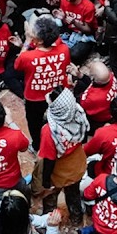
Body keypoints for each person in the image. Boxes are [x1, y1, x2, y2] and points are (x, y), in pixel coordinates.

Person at [14, 16, 72, 150]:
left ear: (39, 40)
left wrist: (27, 42)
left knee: (34, 122)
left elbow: (17, 65)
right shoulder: (64, 49)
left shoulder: (27, 56)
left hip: (35, 97)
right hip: (58, 93)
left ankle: (37, 145)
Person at [35, 86, 89, 221]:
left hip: (59, 174)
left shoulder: (49, 131)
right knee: (74, 195)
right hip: (78, 165)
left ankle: (48, 220)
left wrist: (46, 182)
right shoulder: (77, 112)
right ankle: (76, 218)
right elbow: (84, 138)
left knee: (50, 197)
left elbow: (49, 160)